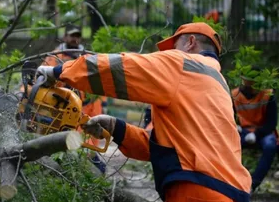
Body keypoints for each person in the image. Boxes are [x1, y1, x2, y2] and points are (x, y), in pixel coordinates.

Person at [36, 22, 252, 202]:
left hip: (198, 188)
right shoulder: (220, 86)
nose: (168, 53)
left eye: (173, 46)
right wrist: (117, 128)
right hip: (233, 191)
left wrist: (59, 71)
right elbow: (173, 148)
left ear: (191, 42)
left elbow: (119, 67)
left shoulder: (183, 63)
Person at [40, 24, 108, 174]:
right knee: (73, 146)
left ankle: (93, 173)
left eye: (77, 36)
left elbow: (99, 83)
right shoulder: (56, 57)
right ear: (65, 37)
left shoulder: (88, 57)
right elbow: (42, 78)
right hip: (65, 109)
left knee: (90, 145)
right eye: (72, 35)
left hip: (88, 108)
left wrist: (103, 103)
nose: (74, 39)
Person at [232, 68, 278, 192]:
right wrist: (234, 126)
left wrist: (256, 134)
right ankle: (231, 181)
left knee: (270, 146)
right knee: (230, 145)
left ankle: (253, 185)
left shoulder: (268, 95)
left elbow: (271, 123)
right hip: (244, 131)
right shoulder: (235, 95)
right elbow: (229, 116)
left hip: (264, 132)